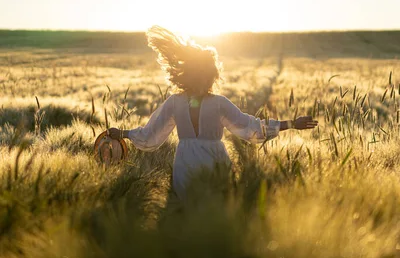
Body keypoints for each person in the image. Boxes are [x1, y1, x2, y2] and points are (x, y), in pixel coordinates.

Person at [108, 27, 318, 199]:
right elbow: (251, 128)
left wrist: (123, 133)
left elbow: (150, 135)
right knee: (212, 211)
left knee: (189, 213)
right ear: (211, 75)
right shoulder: (215, 104)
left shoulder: (179, 103)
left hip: (188, 164)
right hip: (212, 162)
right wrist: (291, 123)